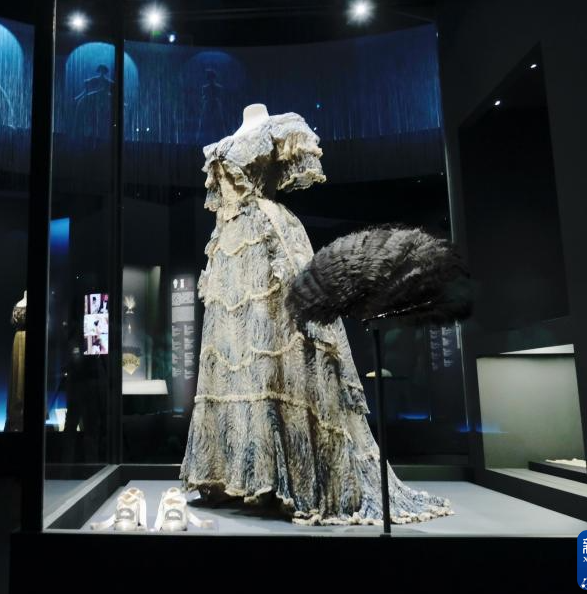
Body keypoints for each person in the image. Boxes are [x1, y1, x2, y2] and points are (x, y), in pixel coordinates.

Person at [179, 110, 453, 526]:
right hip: (230, 255)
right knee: (237, 358)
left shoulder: (279, 126)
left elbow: (291, 176)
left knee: (283, 350)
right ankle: (246, 475)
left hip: (268, 243)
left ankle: (303, 478)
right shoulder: (222, 143)